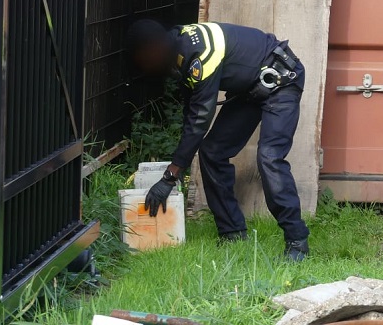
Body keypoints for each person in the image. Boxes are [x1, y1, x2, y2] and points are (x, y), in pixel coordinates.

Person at [126, 19, 310, 261]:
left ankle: (297, 241)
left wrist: (171, 175)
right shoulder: (176, 48)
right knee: (212, 151)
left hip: (281, 79)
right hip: (251, 88)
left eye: (144, 58)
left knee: (269, 157)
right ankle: (232, 232)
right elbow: (190, 113)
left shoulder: (199, 57)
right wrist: (178, 162)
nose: (144, 66)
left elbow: (200, 119)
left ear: (153, 49)